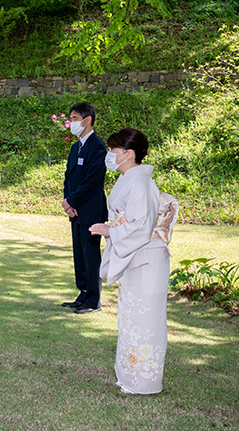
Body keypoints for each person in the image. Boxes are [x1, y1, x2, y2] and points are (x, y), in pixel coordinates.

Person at [89, 128, 177, 394]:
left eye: (113, 151)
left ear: (128, 154)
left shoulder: (140, 182)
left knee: (145, 320)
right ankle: (130, 375)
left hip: (146, 257)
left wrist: (110, 230)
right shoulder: (128, 178)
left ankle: (144, 380)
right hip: (136, 257)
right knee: (131, 318)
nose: (109, 155)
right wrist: (113, 227)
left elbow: (140, 226)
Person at [61, 102, 108, 313]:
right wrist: (67, 201)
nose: (71, 123)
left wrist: (72, 201)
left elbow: (92, 181)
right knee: (79, 253)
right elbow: (69, 177)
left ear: (87, 120)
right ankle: (82, 293)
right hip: (76, 210)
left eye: (75, 118)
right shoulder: (75, 146)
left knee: (90, 254)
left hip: (90, 209)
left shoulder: (97, 147)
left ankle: (93, 299)